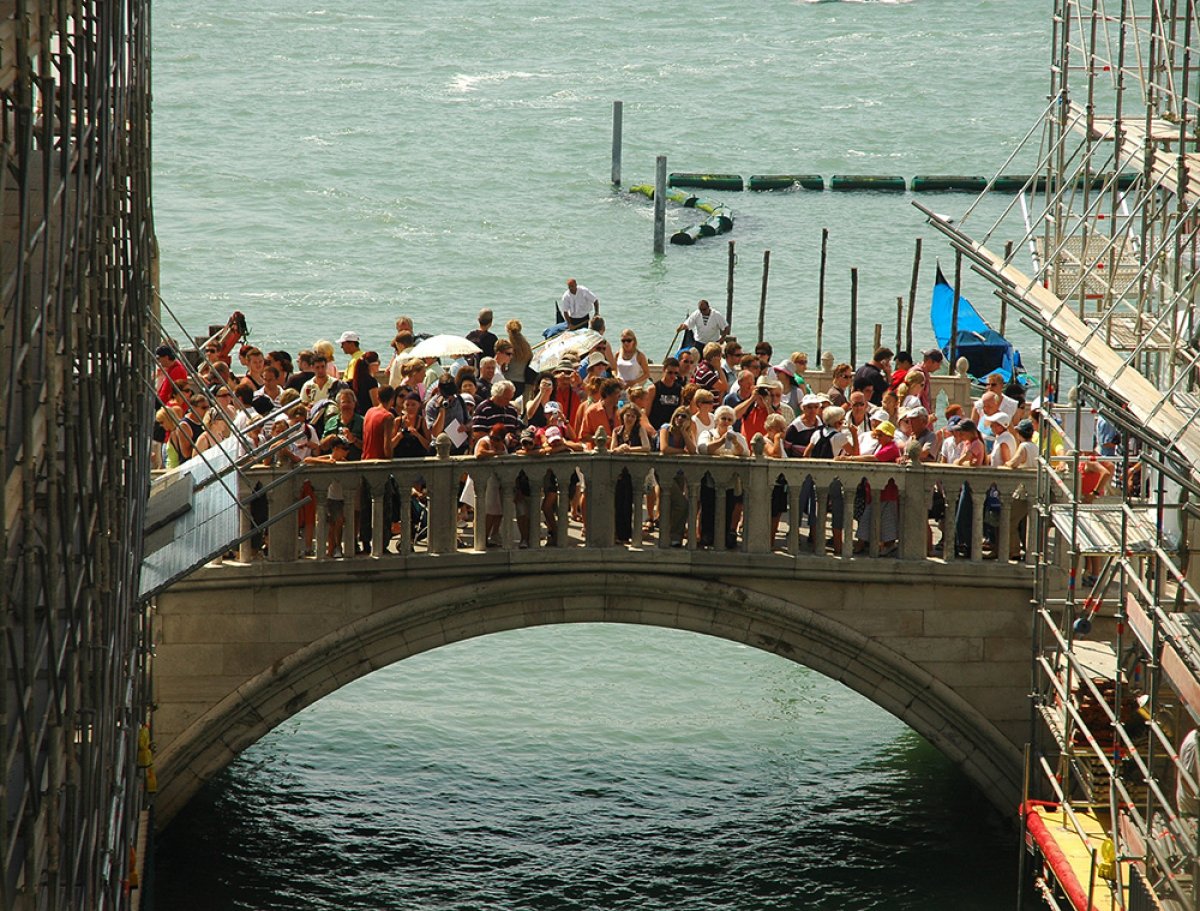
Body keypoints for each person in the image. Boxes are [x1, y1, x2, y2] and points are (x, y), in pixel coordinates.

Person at [648, 357, 685, 429]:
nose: (673, 376)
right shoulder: (653, 389)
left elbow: (679, 412)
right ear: (664, 370)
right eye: (670, 372)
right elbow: (646, 413)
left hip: (672, 429)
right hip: (656, 428)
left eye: (676, 373)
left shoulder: (680, 390)